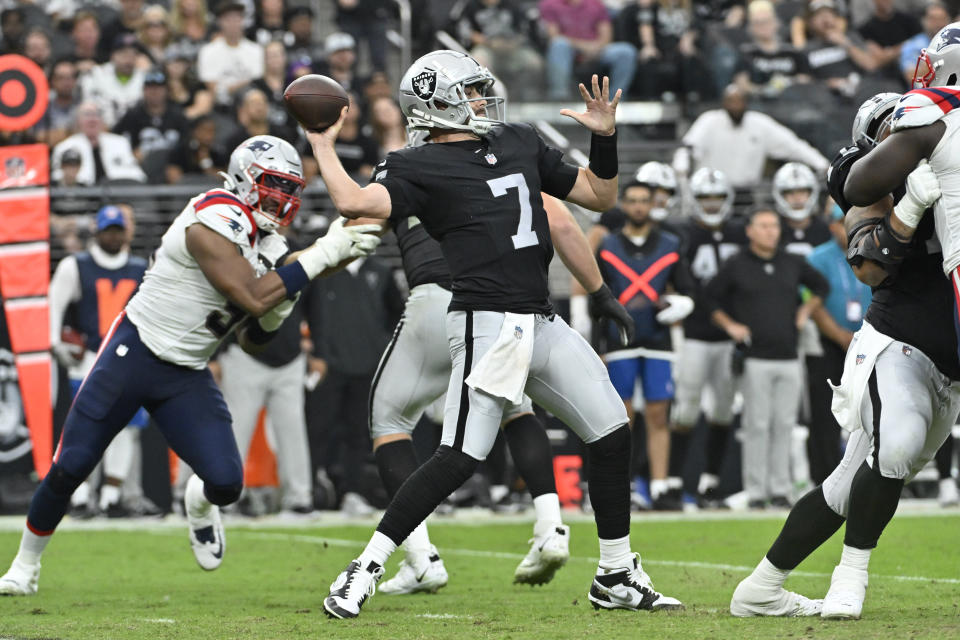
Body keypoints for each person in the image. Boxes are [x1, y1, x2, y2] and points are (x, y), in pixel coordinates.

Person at [311, 50, 681, 619]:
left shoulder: (519, 139)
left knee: (611, 431)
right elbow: (352, 202)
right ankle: (364, 568)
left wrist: (605, 139)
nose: (485, 99)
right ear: (438, 105)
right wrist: (322, 144)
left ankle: (615, 572)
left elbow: (598, 197)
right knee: (459, 455)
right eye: (473, 92)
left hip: (540, 314)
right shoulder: (417, 164)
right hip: (486, 322)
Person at [0, 135, 382, 595]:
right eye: (274, 185)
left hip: (186, 372)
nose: (283, 198)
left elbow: (255, 334)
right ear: (245, 179)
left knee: (225, 483)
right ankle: (25, 567)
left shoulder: (269, 241)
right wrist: (324, 253)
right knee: (70, 466)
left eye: (290, 188)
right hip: (133, 354)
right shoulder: (212, 214)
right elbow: (253, 295)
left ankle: (199, 505)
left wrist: (336, 255)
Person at [731, 87, 958, 621]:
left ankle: (761, 588)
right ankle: (849, 577)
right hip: (899, 344)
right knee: (896, 447)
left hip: (952, 367)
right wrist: (911, 205)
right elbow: (869, 266)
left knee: (846, 485)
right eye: (893, 136)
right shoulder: (869, 182)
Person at [369, 133, 583, 592]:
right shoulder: (495, 163)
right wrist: (600, 292)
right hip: (500, 306)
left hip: (441, 301)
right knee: (516, 408)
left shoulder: (406, 172)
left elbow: (355, 220)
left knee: (389, 419)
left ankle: (419, 555)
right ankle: (550, 526)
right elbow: (561, 222)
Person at [708, 207, 829, 509]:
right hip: (755, 357)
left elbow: (821, 286)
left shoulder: (791, 262)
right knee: (757, 424)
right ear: (749, 230)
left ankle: (780, 488)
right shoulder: (737, 265)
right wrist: (730, 325)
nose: (770, 231)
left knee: (784, 424)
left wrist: (805, 310)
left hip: (789, 355)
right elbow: (709, 297)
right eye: (763, 225)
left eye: (774, 225)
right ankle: (756, 490)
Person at [596, 179, 695, 510]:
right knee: (621, 418)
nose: (638, 206)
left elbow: (686, 290)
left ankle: (660, 487)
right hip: (619, 339)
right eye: (633, 200)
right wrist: (597, 341)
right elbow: (600, 296)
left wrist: (678, 305)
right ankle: (622, 488)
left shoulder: (670, 243)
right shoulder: (607, 245)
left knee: (658, 416)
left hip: (658, 340)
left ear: (653, 205)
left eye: (644, 200)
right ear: (623, 205)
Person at [48, 206, 153, 518]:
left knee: (127, 429)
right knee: (84, 429)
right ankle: (80, 496)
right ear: (96, 231)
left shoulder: (139, 268)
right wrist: (55, 343)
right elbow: (54, 305)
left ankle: (110, 497)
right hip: (90, 357)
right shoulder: (76, 265)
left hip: (128, 359)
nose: (112, 236)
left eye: (117, 230)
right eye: (108, 230)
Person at [670, 167, 746, 506]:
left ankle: (711, 481)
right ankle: (673, 479)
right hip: (695, 335)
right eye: (705, 198)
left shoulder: (741, 234)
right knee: (685, 410)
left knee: (724, 410)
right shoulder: (683, 235)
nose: (712, 205)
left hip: (730, 337)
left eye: (717, 198)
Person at [806, 203, 872, 485]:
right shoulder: (817, 258)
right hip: (831, 343)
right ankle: (824, 478)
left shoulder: (874, 250)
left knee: (872, 410)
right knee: (825, 413)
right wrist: (840, 336)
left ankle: (873, 477)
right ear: (831, 226)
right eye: (841, 221)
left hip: (871, 341)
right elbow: (813, 303)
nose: (847, 225)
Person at [676, 85, 828, 189]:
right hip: (712, 190)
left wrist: (821, 164)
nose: (735, 106)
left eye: (739, 102)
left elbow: (793, 145)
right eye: (731, 102)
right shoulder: (709, 120)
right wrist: (680, 169)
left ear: (746, 103)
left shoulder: (760, 123)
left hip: (746, 192)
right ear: (723, 103)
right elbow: (687, 148)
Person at [539, 0, 636, 100]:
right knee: (559, 45)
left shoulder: (596, 4)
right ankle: (560, 97)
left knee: (626, 51)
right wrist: (585, 47)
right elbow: (554, 37)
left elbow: (606, 37)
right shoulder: (549, 4)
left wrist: (594, 48)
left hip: (596, 49)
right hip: (570, 50)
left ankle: (614, 101)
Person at [51, 102, 146, 185]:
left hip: (116, 197)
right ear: (78, 121)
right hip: (83, 199)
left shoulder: (120, 143)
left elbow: (136, 174)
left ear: (102, 120)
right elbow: (57, 178)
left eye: (96, 114)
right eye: (87, 115)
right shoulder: (64, 147)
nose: (92, 119)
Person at [113, 68, 188, 165]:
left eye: (158, 88)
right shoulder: (133, 114)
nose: (154, 92)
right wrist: (130, 152)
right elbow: (115, 137)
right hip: (141, 164)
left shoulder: (178, 114)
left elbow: (186, 141)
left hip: (172, 164)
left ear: (167, 90)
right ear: (143, 90)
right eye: (150, 88)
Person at [197, 0, 263, 108]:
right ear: (220, 22)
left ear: (243, 20)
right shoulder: (208, 51)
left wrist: (228, 88)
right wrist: (240, 85)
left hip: (250, 104)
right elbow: (213, 89)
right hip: (220, 106)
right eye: (228, 19)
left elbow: (258, 82)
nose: (233, 23)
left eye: (237, 18)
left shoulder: (256, 50)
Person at [80, 33, 147, 128]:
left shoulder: (145, 77)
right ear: (112, 55)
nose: (128, 58)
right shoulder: (96, 74)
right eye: (123, 53)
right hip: (102, 132)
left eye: (133, 54)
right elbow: (87, 107)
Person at [899, 2, 950, 86]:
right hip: (922, 94)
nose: (938, 23)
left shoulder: (955, 42)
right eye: (933, 19)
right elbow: (910, 76)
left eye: (942, 19)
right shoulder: (913, 45)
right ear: (924, 21)